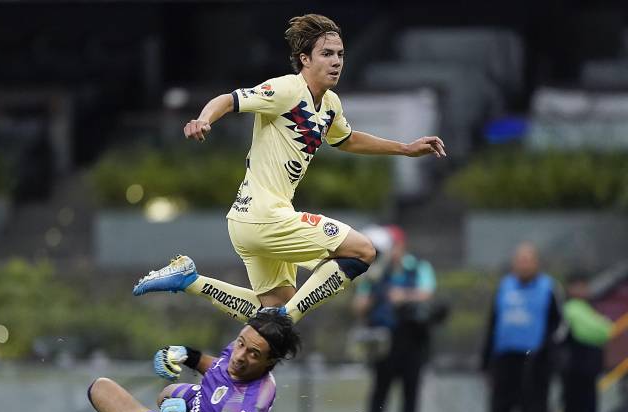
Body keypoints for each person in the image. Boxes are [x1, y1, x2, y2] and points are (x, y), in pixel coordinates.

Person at [133, 14, 446, 323]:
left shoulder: (330, 104)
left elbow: (347, 139)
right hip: (265, 216)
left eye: (340, 54)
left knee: (269, 318)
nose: (336, 61)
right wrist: (203, 120)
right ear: (304, 59)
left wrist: (405, 149)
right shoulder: (286, 90)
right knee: (362, 251)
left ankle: (190, 281)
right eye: (326, 54)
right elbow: (228, 100)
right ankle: (286, 318)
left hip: (250, 220)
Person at [87, 309, 313, 412]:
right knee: (102, 387)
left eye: (253, 354)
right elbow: (217, 367)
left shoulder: (245, 402)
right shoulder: (243, 348)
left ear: (270, 361)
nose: (239, 356)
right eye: (240, 343)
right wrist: (186, 355)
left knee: (106, 394)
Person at [352, 225, 439, 412]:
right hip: (383, 338)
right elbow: (360, 305)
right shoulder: (376, 272)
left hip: (412, 337)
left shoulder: (419, 268)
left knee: (411, 386)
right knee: (380, 386)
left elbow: (427, 293)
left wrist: (405, 296)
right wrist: (369, 298)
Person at [481, 242, 562, 412]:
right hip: (505, 358)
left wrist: (548, 353)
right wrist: (486, 360)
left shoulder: (548, 288)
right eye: (520, 260)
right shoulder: (505, 286)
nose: (523, 265)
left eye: (528, 260)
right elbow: (493, 323)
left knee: (534, 408)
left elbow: (558, 325)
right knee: (500, 407)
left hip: (535, 359)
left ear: (536, 263)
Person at [557, 271, 612, 412]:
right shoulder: (571, 308)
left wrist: (601, 329)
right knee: (574, 407)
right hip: (574, 368)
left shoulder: (587, 308)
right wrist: (601, 328)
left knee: (587, 407)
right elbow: (595, 331)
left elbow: (605, 331)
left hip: (588, 368)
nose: (583, 289)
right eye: (578, 286)